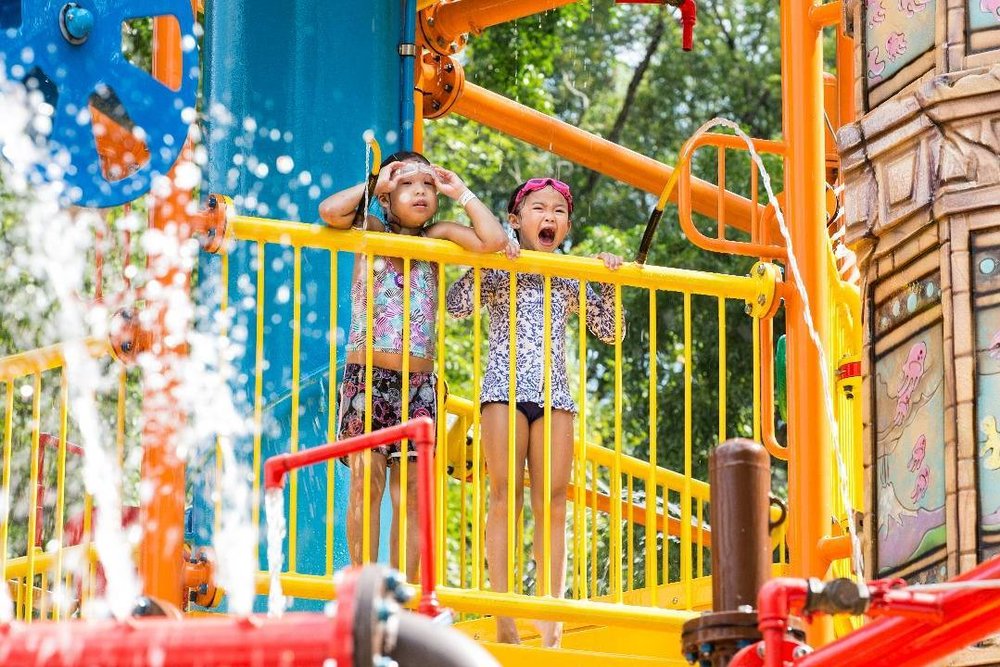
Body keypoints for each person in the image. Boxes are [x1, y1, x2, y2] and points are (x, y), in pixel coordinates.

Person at [445, 177, 626, 647]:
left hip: (555, 394)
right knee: (506, 496)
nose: (549, 217)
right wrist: (486, 264)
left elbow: (611, 330)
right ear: (516, 220)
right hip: (503, 388)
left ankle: (551, 625)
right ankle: (505, 618)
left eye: (558, 211)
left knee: (555, 501)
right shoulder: (503, 258)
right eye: (538, 209)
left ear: (566, 225)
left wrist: (608, 279)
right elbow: (455, 305)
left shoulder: (571, 269)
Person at [319, 151, 507, 577]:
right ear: (386, 196)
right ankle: (365, 585)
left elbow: (492, 240)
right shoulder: (368, 227)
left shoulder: (436, 236)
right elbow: (330, 211)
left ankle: (402, 593)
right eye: (407, 184)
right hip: (368, 376)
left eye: (427, 184)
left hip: (419, 383)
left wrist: (461, 191)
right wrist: (375, 184)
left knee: (414, 492)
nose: (420, 191)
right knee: (368, 482)